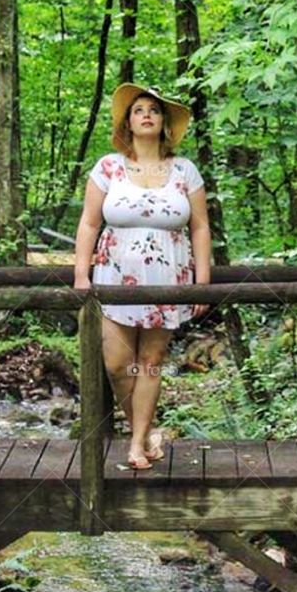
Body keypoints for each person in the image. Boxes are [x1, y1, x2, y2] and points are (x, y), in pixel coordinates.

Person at [73, 83, 212, 470]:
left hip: (169, 276)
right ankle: (145, 430)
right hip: (114, 277)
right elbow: (88, 223)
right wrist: (81, 276)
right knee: (118, 364)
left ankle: (135, 445)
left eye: (154, 109)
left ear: (164, 122)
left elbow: (200, 228)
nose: (146, 114)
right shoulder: (108, 167)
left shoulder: (185, 171)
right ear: (128, 122)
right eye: (138, 110)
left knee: (151, 360)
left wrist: (202, 283)